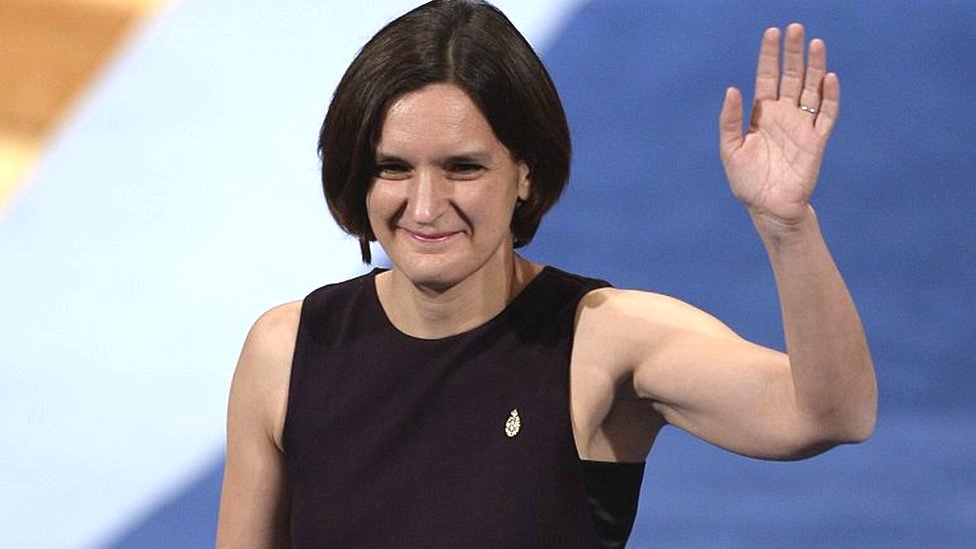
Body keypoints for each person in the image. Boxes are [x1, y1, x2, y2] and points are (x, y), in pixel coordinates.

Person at [215, 1, 877, 547]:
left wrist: (786, 225)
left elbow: (828, 413)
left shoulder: (605, 340)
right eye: (394, 167)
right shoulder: (286, 351)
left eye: (463, 167)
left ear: (525, 172)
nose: (423, 205)